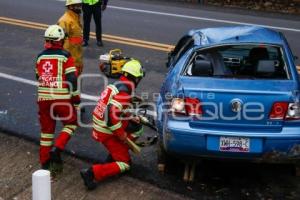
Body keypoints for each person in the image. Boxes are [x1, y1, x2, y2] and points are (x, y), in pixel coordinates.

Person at [80, 60, 145, 190]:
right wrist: (122, 135)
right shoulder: (124, 91)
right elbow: (111, 118)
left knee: (137, 127)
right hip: (105, 129)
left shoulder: (117, 85)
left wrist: (130, 116)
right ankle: (91, 173)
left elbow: (113, 110)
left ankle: (115, 154)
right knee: (125, 164)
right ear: (135, 78)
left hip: (101, 124)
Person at [35, 25, 80, 174]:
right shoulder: (65, 56)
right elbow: (72, 79)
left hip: (43, 99)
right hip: (60, 98)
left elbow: (38, 76)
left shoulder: (40, 57)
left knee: (46, 132)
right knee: (71, 124)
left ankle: (45, 162)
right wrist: (75, 99)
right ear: (60, 40)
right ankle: (57, 148)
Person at [58, 0, 84, 75]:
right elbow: (61, 43)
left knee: (76, 83)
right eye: (77, 6)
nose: (80, 8)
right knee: (71, 83)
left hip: (77, 59)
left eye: (80, 5)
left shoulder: (76, 18)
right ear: (70, 7)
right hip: (70, 61)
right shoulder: (64, 21)